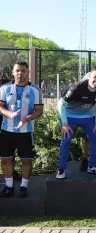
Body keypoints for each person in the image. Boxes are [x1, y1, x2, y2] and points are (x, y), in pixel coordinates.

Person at [0, 61, 44, 198]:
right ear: (13, 73)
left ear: (28, 72)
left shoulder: (35, 90)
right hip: (6, 131)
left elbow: (39, 111)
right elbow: (0, 107)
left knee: (26, 160)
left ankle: (24, 186)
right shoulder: (4, 89)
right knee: (5, 159)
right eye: (17, 70)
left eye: (23, 70)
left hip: (26, 132)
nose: (20, 73)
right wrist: (10, 114)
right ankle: (9, 186)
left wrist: (28, 118)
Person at [56, 67, 96, 179]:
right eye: (95, 77)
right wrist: (64, 124)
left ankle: (92, 166)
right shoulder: (78, 87)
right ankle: (61, 169)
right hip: (68, 116)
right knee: (66, 140)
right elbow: (61, 104)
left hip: (86, 116)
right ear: (89, 77)